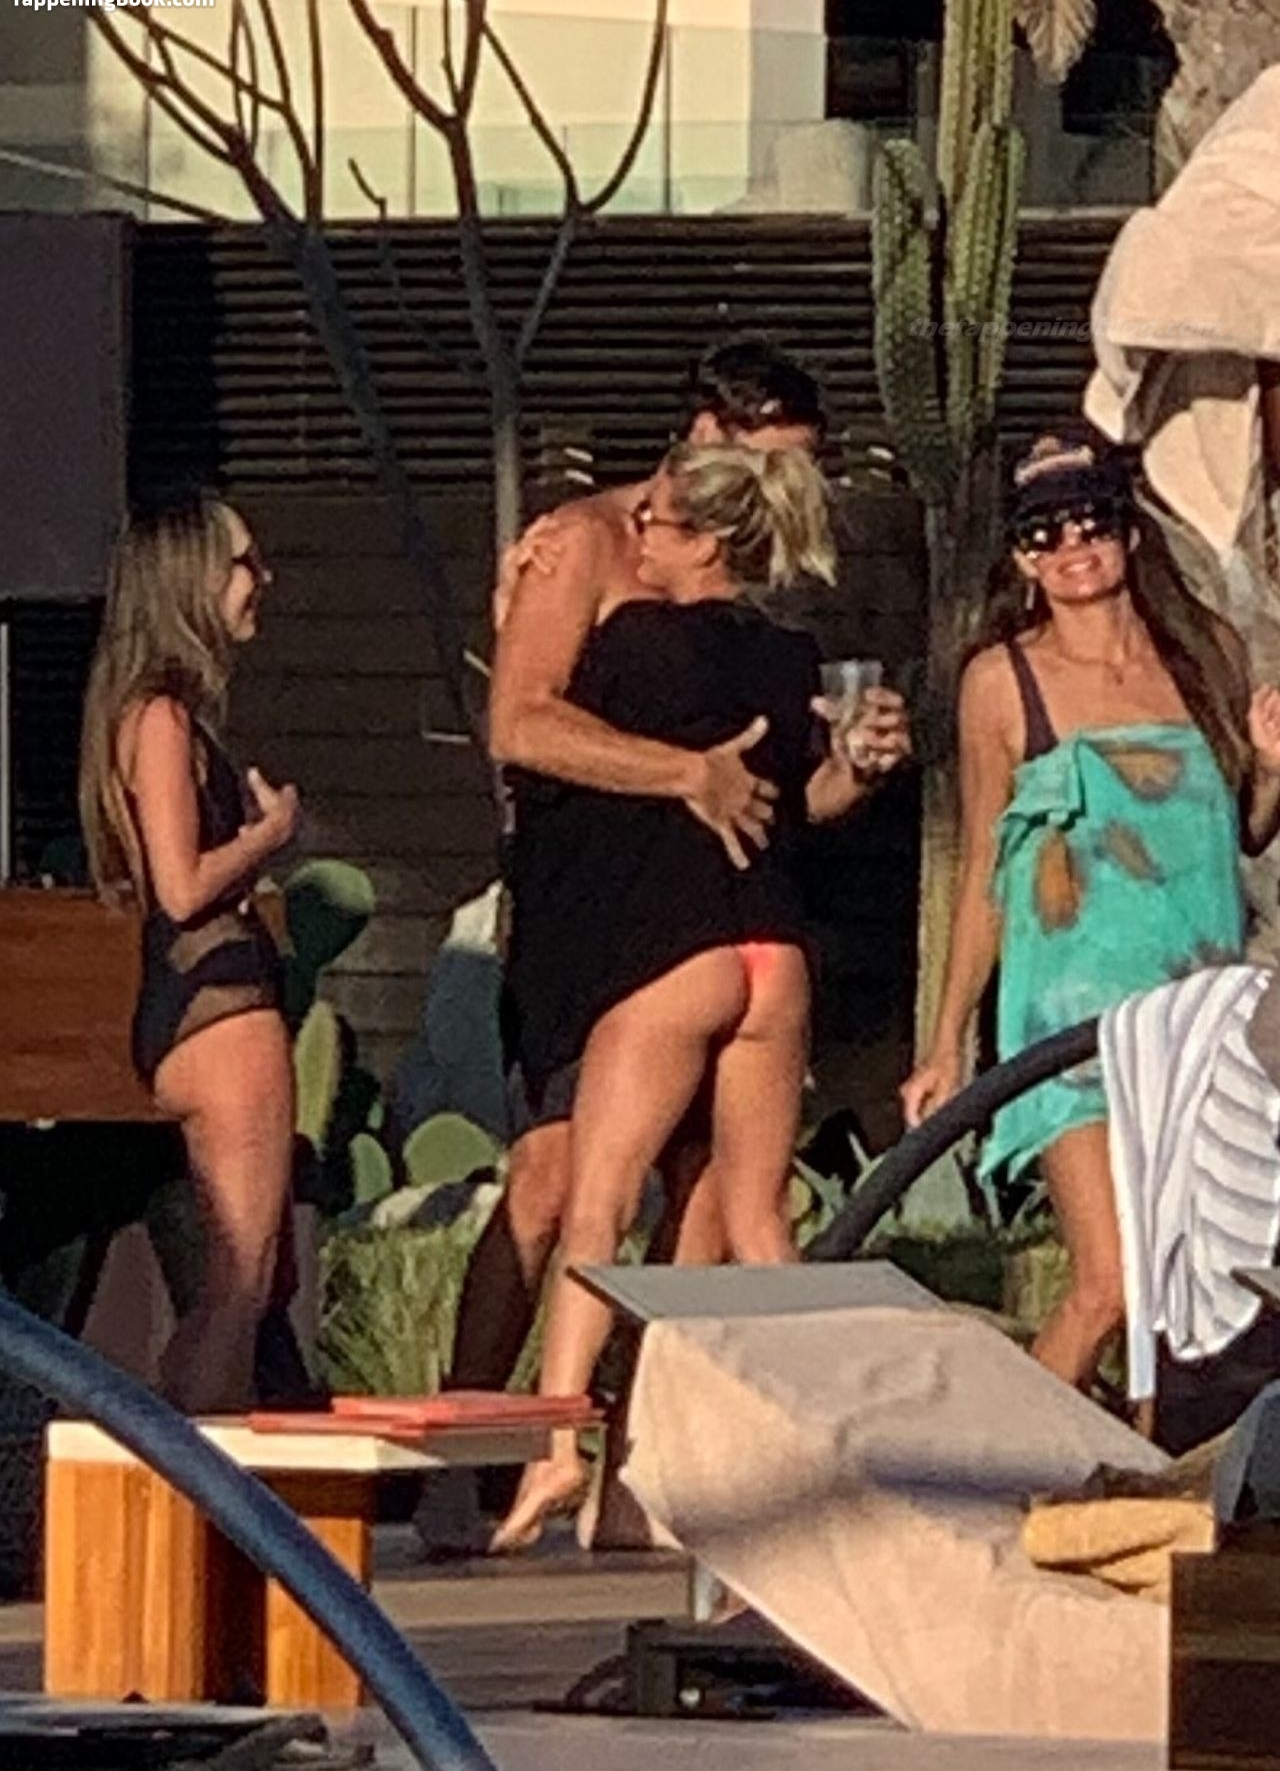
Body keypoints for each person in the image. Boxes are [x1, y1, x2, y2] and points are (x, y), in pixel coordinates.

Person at [450, 340, 908, 1424]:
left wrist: (852, 769)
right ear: (707, 433)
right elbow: (519, 722)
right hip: (589, 906)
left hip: (719, 917)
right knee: (552, 1182)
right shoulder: (585, 542)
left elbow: (771, 796)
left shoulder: (750, 579)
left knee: (707, 1197)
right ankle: (461, 1447)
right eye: (775, 461)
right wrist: (681, 773)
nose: (791, 489)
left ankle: (637, 1450)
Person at [902, 434, 1280, 1397]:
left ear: (1129, 533)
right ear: (1022, 559)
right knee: (1108, 1283)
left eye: (1092, 522)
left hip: (1196, 1016)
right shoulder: (1002, 681)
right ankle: (1008, 1461)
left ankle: (1140, 1469)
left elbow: (1242, 828)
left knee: (1191, 1292)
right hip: (1070, 1020)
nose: (1073, 546)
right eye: (1046, 532)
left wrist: (1273, 767)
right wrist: (947, 1041)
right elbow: (984, 865)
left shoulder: (1204, 652)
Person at [79, 492, 300, 1413]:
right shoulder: (161, 717)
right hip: (218, 1014)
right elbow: (179, 885)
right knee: (239, 1288)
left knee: (244, 1285)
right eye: (244, 562)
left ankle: (184, 1459)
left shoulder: (152, 716)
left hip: (196, 1009)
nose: (261, 581)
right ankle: (193, 1476)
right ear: (191, 579)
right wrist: (267, 836)